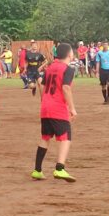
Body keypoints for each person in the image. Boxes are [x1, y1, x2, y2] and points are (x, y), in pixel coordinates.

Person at [30, 43, 77, 182]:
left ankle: (37, 170)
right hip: (57, 107)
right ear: (70, 55)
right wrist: (72, 108)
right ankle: (59, 168)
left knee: (45, 137)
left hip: (46, 106)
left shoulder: (50, 68)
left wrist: (44, 101)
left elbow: (42, 85)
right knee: (65, 137)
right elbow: (66, 88)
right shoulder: (68, 69)